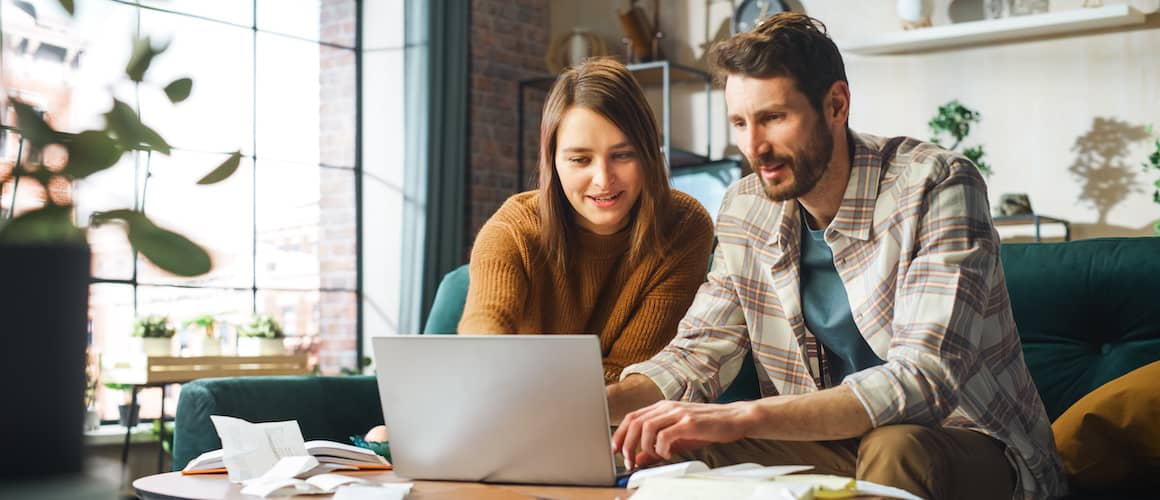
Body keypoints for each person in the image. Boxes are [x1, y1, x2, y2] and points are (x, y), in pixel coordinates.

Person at [607, 13, 1066, 500]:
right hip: (826, 445)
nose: (754, 147)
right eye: (740, 123)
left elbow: (926, 378)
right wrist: (590, 409)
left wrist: (741, 416)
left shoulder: (935, 183)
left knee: (896, 446)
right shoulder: (745, 208)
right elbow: (698, 354)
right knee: (662, 449)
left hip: (966, 443)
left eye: (774, 118)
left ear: (836, 104)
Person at [364, 59, 715, 442]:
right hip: (501, 414)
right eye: (580, 159)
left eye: (623, 154)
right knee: (384, 437)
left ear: (648, 153)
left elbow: (630, 375)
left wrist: (528, 393)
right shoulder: (515, 226)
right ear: (553, 161)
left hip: (604, 421)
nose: (603, 179)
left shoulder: (683, 226)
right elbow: (485, 332)